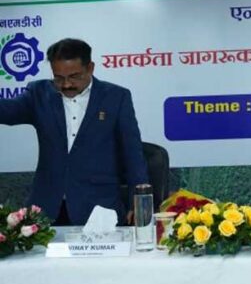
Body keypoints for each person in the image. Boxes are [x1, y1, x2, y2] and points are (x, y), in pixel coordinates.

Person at [0, 38, 148, 225]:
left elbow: (132, 153)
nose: (66, 84)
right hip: (45, 210)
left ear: (90, 68)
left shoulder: (116, 97)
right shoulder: (39, 93)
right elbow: (6, 111)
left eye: (74, 76)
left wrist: (140, 201)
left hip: (99, 209)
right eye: (58, 78)